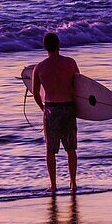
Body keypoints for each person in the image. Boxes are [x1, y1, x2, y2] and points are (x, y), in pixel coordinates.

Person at [32, 32, 79, 195]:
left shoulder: (39, 67)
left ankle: (53, 185)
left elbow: (36, 94)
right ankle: (73, 182)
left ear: (45, 47)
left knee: (50, 151)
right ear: (59, 45)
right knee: (71, 149)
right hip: (68, 108)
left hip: (51, 109)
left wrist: (43, 109)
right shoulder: (70, 63)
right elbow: (79, 88)